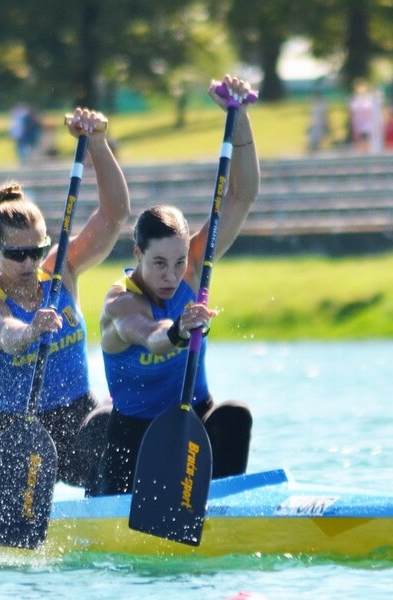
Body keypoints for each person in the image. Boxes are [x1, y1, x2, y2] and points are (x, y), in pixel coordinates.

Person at [93, 75, 259, 496]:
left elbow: (242, 195)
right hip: (135, 434)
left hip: (192, 416)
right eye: (159, 264)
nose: (172, 275)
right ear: (137, 254)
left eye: (180, 262)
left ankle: (221, 511)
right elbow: (150, 337)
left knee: (235, 415)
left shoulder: (193, 269)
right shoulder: (120, 304)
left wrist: (237, 118)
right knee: (114, 441)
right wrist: (181, 330)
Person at [0, 107, 130, 489]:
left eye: (35, 251)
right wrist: (29, 330)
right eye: (16, 254)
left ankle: (112, 508)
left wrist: (99, 143)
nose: (28, 262)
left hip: (80, 423)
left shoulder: (61, 272)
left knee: (118, 415)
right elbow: (4, 333)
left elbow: (115, 213)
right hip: (21, 434)